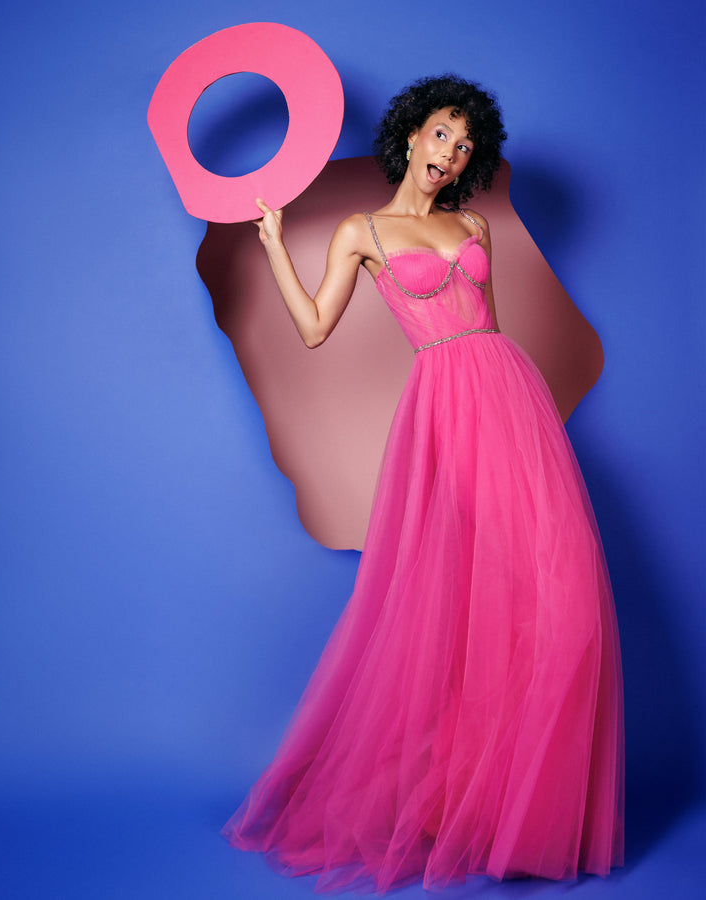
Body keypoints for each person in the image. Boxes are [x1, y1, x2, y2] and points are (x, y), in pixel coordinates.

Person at [222, 75, 624, 892]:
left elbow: (493, 331)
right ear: (411, 135)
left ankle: (519, 811)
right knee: (474, 605)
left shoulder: (475, 223)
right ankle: (467, 808)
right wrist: (270, 245)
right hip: (445, 413)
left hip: (514, 404)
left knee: (563, 603)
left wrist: (521, 414)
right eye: (443, 134)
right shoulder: (361, 230)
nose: (452, 153)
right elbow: (311, 331)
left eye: (467, 145)